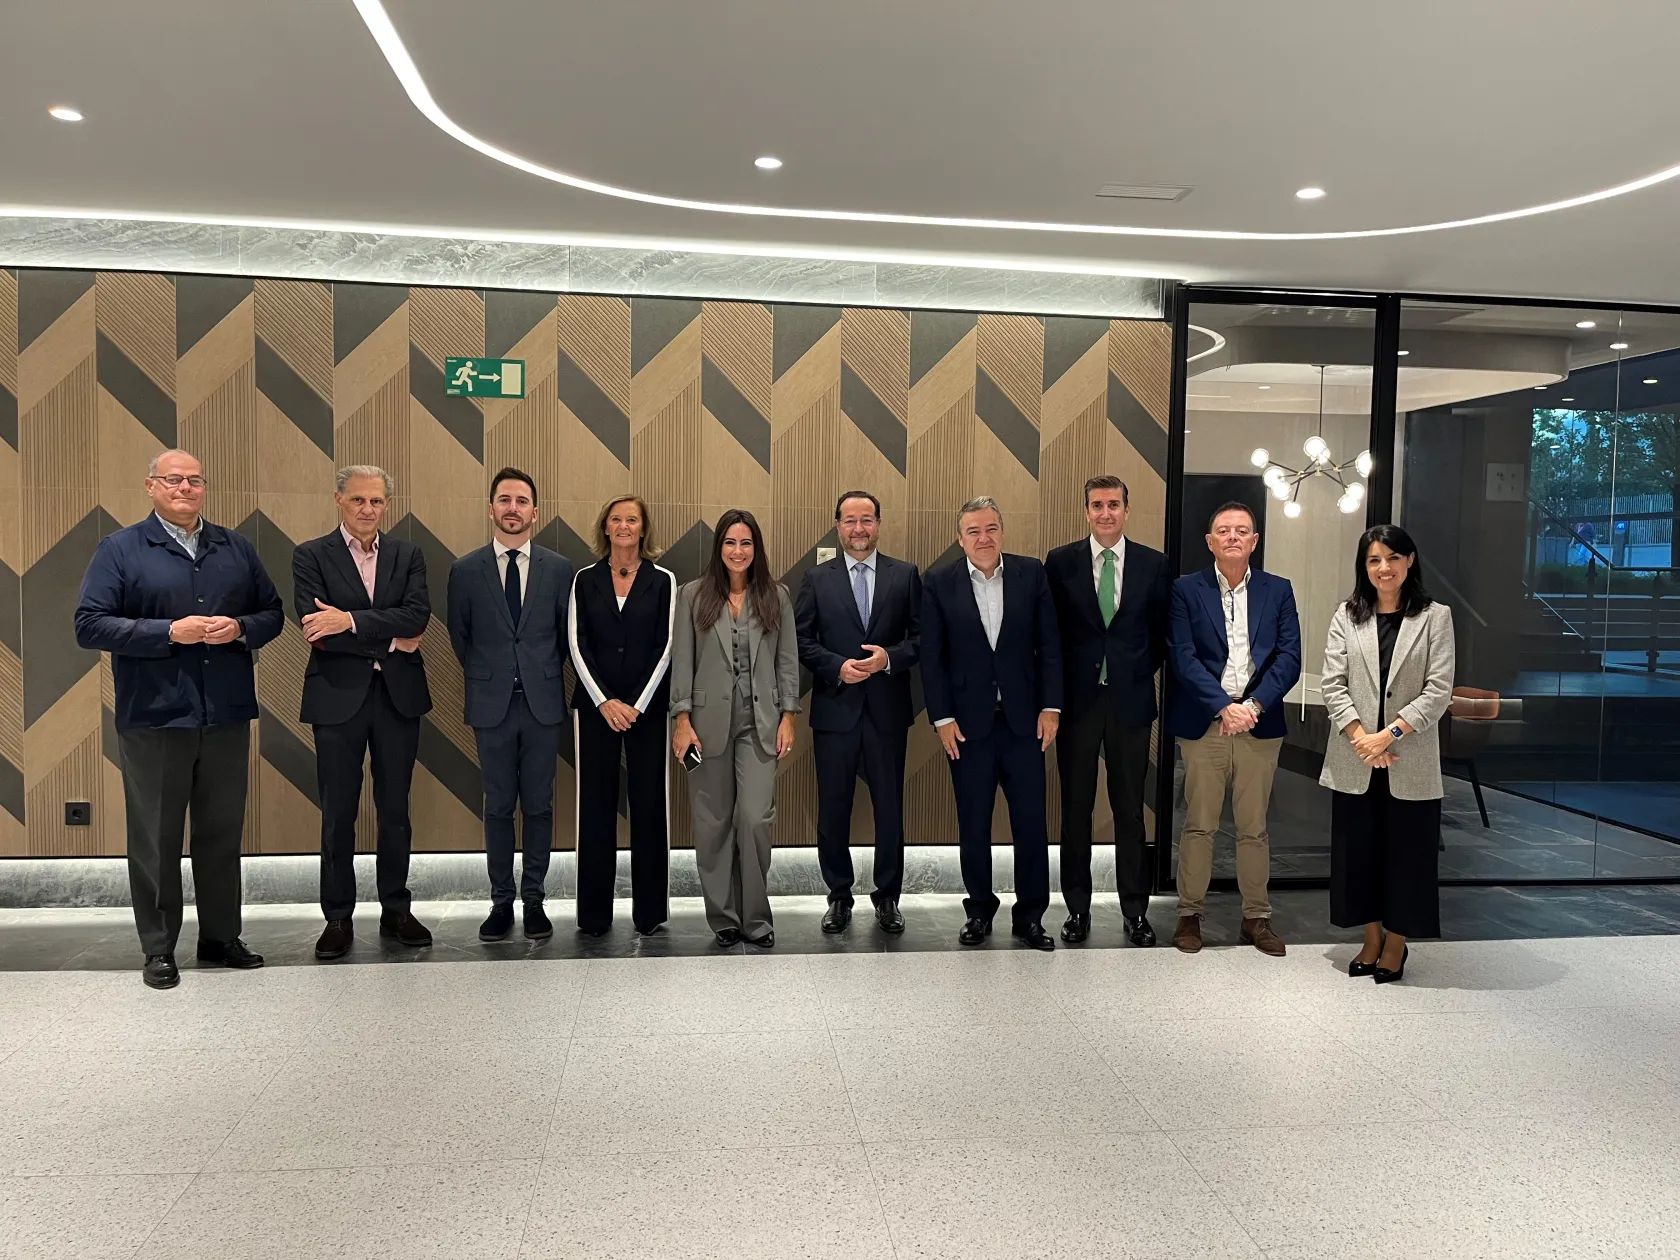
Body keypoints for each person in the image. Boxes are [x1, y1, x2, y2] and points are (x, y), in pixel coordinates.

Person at [73, 449, 283, 989]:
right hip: (155, 718)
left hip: (226, 715)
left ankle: (220, 938)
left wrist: (239, 628)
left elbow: (272, 614)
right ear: (150, 486)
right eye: (173, 479)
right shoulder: (120, 549)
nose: (185, 488)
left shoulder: (235, 547)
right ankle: (159, 948)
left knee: (220, 834)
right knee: (157, 837)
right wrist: (168, 632)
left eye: (194, 480)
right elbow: (90, 624)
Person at [293, 466, 434, 960]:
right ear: (339, 500)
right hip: (337, 697)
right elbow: (318, 632)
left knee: (396, 809)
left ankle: (396, 907)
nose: (367, 510)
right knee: (338, 812)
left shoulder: (408, 554)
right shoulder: (310, 555)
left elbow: (417, 617)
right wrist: (389, 637)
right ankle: (337, 916)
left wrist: (349, 619)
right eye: (357, 500)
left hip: (398, 697)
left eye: (376, 501)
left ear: (386, 504)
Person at [922, 497, 1062, 951]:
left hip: (1025, 723)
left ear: (1003, 531)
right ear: (959, 538)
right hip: (967, 726)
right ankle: (979, 910)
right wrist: (941, 718)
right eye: (974, 531)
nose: (984, 539)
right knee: (974, 823)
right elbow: (933, 658)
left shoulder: (1031, 572)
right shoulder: (938, 581)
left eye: (992, 529)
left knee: (1030, 825)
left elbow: (1050, 645)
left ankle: (1031, 917)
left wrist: (1051, 707)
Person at [1320, 523, 1456, 984]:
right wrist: (1363, 737)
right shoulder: (1347, 615)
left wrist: (1388, 735)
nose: (1384, 568)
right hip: (1356, 757)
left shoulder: (1435, 617)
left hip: (1408, 757)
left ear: (1410, 561)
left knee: (1408, 855)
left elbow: (1439, 690)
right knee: (1358, 854)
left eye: (1393, 558)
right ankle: (1372, 937)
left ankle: (1397, 943)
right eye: (1374, 560)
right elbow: (1331, 684)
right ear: (1365, 566)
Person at [1165, 502, 1302, 956]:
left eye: (1241, 531)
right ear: (1210, 542)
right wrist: (1224, 706)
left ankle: (1256, 918)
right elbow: (1182, 657)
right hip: (1206, 723)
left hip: (1259, 725)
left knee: (1253, 827)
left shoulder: (1278, 590)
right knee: (1199, 824)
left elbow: (1289, 658)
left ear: (1254, 540)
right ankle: (1190, 915)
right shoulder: (1186, 590)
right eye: (1223, 531)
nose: (1232, 538)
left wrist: (1254, 706)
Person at [448, 468, 576, 942]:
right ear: (491, 509)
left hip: (542, 705)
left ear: (535, 512)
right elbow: (459, 638)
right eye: (504, 500)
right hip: (491, 706)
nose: (513, 508)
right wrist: (494, 675)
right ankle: (501, 902)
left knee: (539, 807)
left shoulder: (560, 569)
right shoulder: (465, 570)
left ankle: (535, 900)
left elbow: (567, 638)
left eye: (522, 501)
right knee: (499, 807)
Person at [1044, 475, 1170, 946]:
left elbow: (1160, 635)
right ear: (1086, 511)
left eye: (1114, 504)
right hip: (1076, 704)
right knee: (1075, 811)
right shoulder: (1060, 563)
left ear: (1126, 509)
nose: (1105, 513)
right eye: (1097, 505)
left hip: (1130, 702)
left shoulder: (1154, 565)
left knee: (1129, 812)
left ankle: (1135, 911)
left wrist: (1132, 669)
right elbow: (1049, 636)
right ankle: (1076, 910)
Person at [669, 509, 799, 948]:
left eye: (745, 543)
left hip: (760, 724)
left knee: (754, 818)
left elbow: (787, 661)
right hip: (705, 726)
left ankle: (757, 919)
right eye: (729, 543)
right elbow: (682, 660)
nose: (738, 551)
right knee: (712, 823)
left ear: (756, 548)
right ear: (718, 548)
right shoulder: (693, 595)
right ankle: (723, 918)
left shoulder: (775, 596)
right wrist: (681, 719)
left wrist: (788, 716)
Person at [794, 490, 921, 935]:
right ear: (837, 526)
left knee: (890, 809)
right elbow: (801, 640)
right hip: (835, 711)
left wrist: (887, 659)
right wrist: (837, 667)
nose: (859, 528)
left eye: (867, 520)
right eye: (850, 521)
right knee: (834, 809)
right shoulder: (817, 578)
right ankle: (839, 896)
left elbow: (921, 640)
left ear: (879, 524)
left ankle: (888, 899)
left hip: (887, 711)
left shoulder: (904, 575)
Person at [567, 494, 676, 937]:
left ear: (643, 528)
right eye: (616, 519)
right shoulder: (583, 579)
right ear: (605, 527)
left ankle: (650, 915)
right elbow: (577, 644)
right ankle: (593, 916)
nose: (624, 526)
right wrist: (604, 701)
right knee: (595, 809)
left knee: (650, 807)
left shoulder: (664, 580)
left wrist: (637, 703)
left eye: (632, 519)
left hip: (647, 711)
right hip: (596, 710)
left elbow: (667, 646)